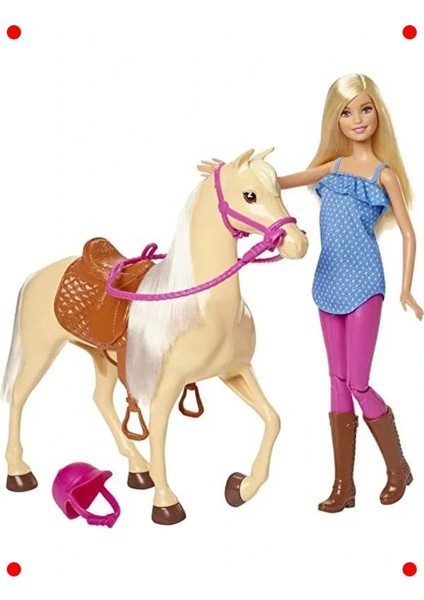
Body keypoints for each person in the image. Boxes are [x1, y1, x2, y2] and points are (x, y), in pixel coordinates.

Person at [197, 73, 423, 513]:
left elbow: (409, 233)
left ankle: (398, 468)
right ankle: (344, 486)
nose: (357, 119)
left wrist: (406, 289)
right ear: (335, 119)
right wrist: (228, 176)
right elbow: (275, 183)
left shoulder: (385, 175)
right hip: (328, 282)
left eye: (365, 109)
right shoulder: (332, 169)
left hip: (365, 283)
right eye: (346, 112)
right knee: (336, 382)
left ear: (378, 112)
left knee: (358, 382)